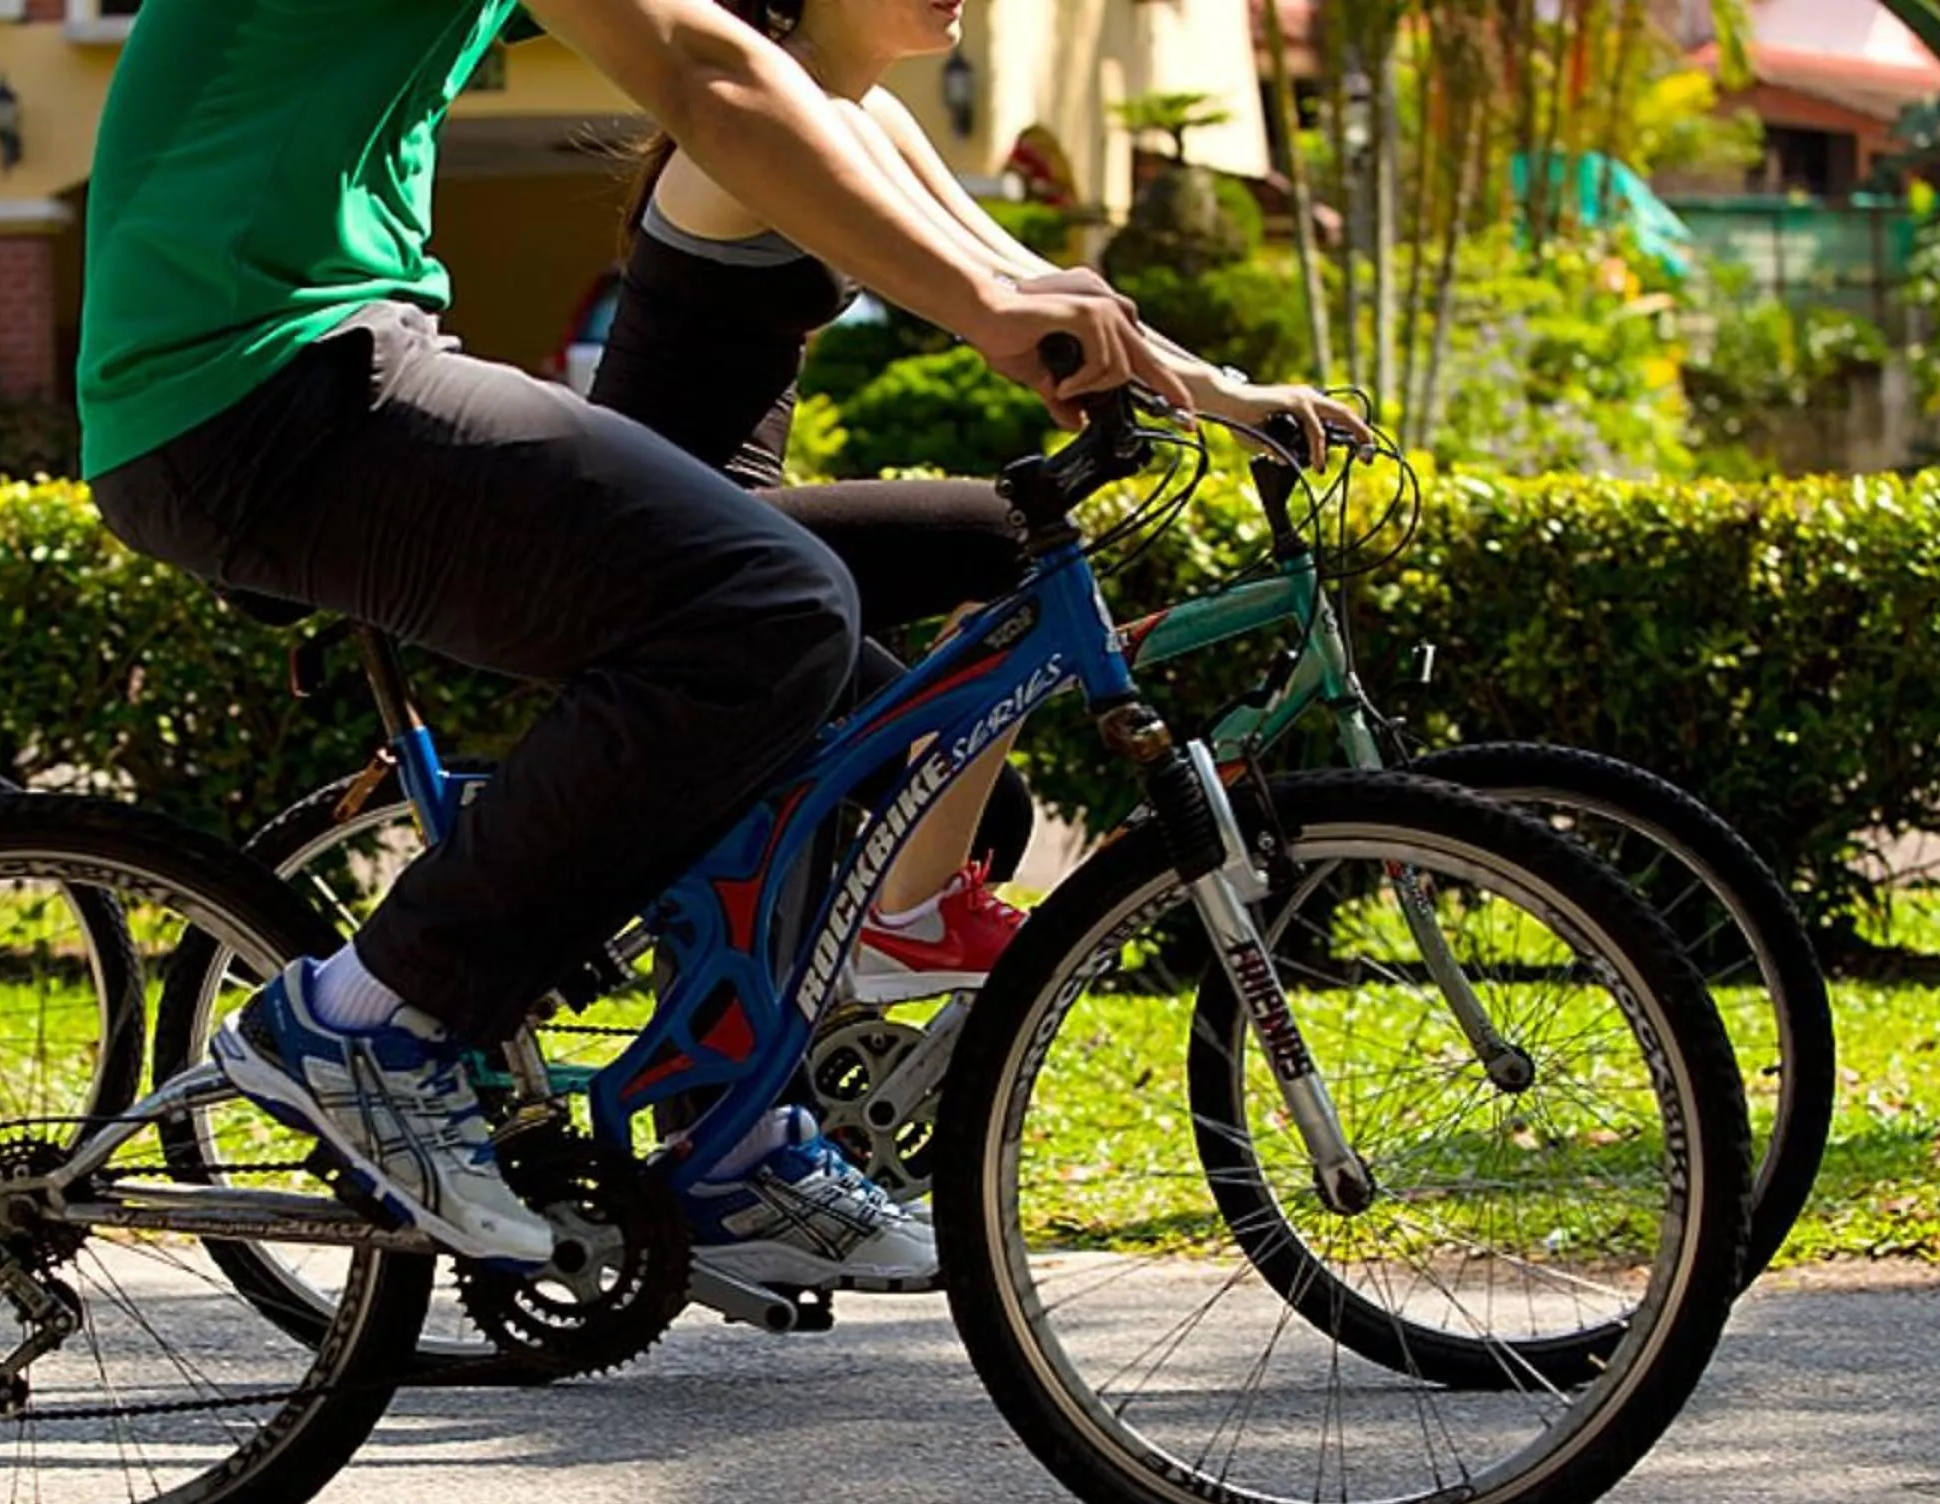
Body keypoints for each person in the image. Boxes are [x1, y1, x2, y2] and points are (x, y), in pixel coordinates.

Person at [82, 0, 1205, 1290]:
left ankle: (727, 1147)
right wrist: (982, 302)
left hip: (321, 363)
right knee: (774, 612)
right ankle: (367, 1021)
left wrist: (1130, 352)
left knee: (798, 695)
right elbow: (707, 69)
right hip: (262, 383)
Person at [591, 0, 1358, 1003]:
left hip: (738, 533)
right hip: (657, 542)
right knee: (1005, 543)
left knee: (972, 810)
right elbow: (971, 294)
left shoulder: (864, 116)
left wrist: (1227, 394)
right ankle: (899, 928)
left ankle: (809, 1053)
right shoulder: (760, 119)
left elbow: (1031, 277)